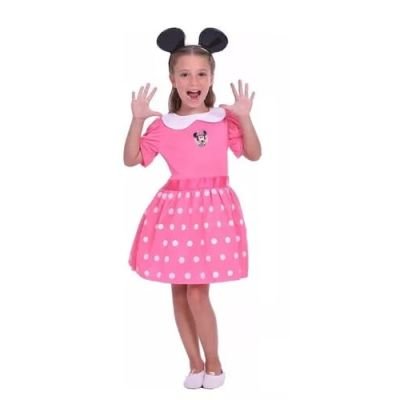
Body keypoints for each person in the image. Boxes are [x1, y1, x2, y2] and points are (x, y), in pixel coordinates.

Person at [123, 27, 262, 390]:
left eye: (201, 73)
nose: (193, 81)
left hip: (212, 212)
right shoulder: (163, 125)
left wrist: (245, 117)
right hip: (174, 214)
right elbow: (132, 158)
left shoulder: (223, 119)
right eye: (184, 74)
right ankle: (194, 363)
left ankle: (214, 363)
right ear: (172, 79)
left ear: (212, 77)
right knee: (179, 292)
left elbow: (253, 153)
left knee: (198, 292)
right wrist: (137, 120)